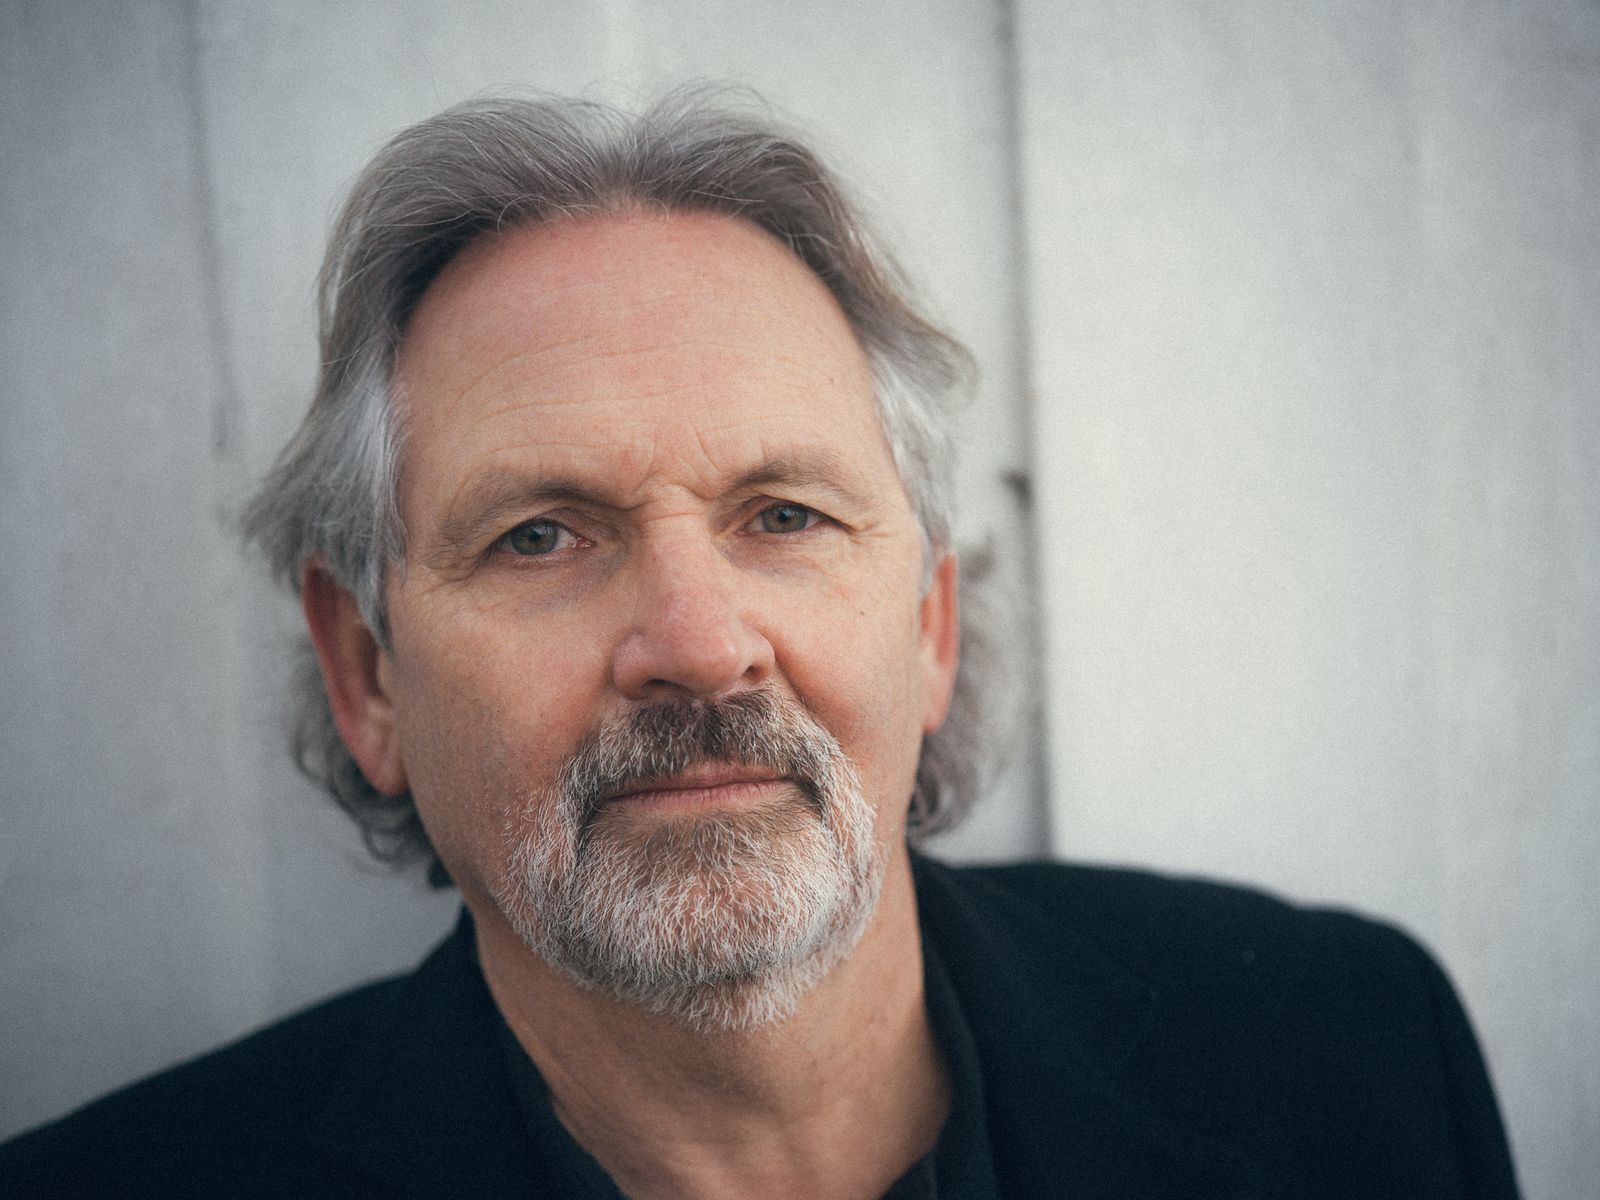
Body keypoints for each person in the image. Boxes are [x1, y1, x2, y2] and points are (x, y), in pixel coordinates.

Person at [0, 91, 1519, 1199]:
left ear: (930, 624)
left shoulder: (1351, 1056)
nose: (699, 643)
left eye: (785, 514)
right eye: (540, 535)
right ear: (367, 674)